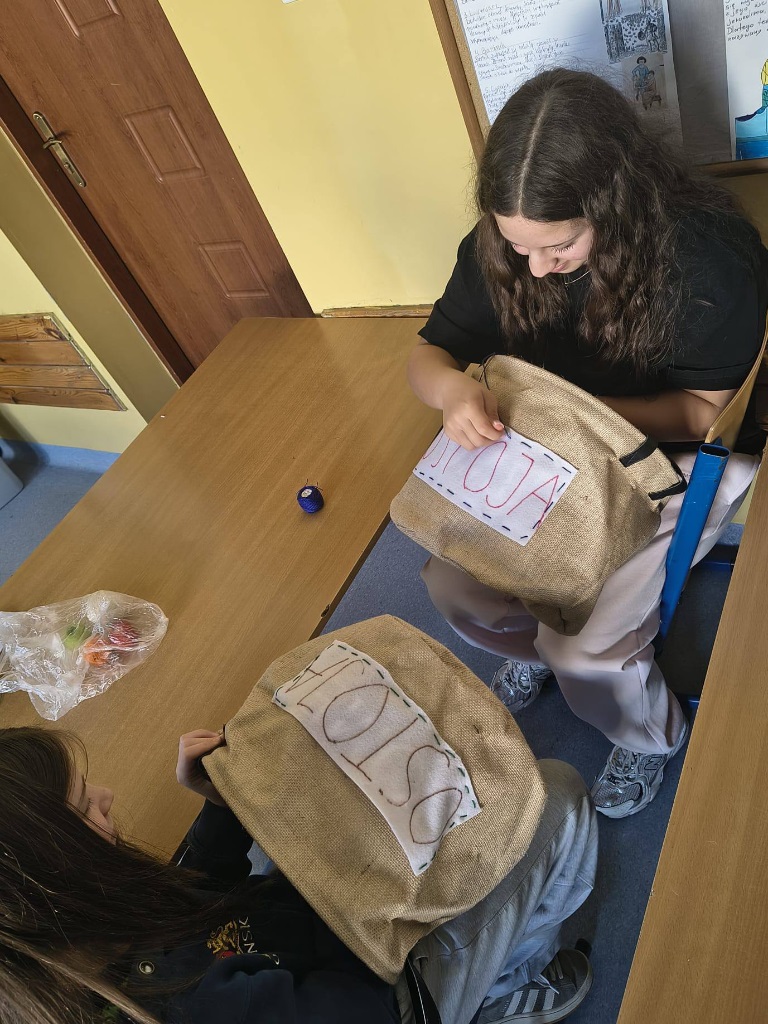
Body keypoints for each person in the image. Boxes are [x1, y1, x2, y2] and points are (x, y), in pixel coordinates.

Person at [408, 68, 768, 818]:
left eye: (560, 245)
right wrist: (449, 391)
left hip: (677, 450)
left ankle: (648, 734)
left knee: (586, 645)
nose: (536, 267)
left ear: (616, 202)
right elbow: (429, 353)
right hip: (556, 440)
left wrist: (577, 414)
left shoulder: (705, 256)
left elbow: (705, 415)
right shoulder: (505, 245)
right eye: (519, 246)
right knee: (454, 582)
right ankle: (537, 648)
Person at [0, 724, 597, 1024]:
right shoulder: (197, 1006)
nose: (105, 796)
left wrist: (220, 810)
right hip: (379, 989)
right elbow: (362, 1010)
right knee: (558, 795)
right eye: (85, 807)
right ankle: (508, 986)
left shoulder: (77, 938)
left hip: (297, 934)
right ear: (64, 875)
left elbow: (181, 906)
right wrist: (362, 888)